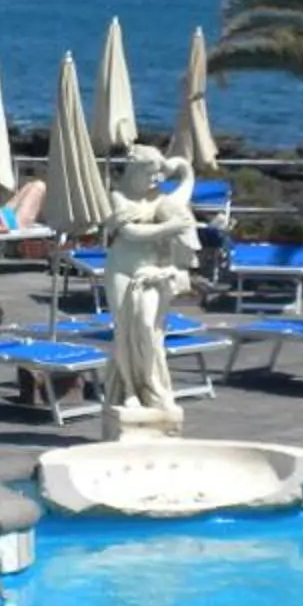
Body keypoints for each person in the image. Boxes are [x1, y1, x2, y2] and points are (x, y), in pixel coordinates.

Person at [99, 144, 200, 435]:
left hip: (152, 272)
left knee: (147, 327)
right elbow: (131, 233)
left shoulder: (162, 200)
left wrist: (181, 169)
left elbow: (184, 179)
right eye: (151, 173)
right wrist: (171, 228)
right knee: (123, 330)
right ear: (135, 171)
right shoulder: (117, 197)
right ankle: (129, 390)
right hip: (121, 269)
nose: (156, 180)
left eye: (159, 174)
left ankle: (153, 387)